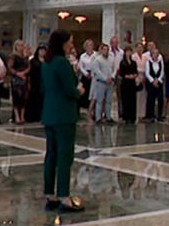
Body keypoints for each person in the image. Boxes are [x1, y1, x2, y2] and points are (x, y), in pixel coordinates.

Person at [41, 29, 85, 213]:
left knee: (51, 154)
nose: (72, 46)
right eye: (70, 42)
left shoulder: (47, 63)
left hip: (50, 113)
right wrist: (79, 91)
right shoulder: (62, 63)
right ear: (63, 43)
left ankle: (50, 194)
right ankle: (64, 196)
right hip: (64, 114)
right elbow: (70, 89)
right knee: (65, 156)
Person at [89, 43, 115, 123]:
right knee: (99, 100)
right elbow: (97, 71)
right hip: (101, 82)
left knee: (109, 101)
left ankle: (108, 117)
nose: (105, 51)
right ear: (101, 50)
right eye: (104, 49)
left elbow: (114, 69)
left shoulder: (111, 59)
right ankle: (98, 118)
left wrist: (112, 77)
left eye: (107, 50)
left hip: (110, 82)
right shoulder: (98, 60)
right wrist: (105, 78)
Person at [8, 41, 31, 125]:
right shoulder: (13, 57)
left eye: (22, 45)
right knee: (16, 97)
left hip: (24, 78)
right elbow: (10, 68)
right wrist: (18, 74)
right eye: (19, 45)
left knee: (23, 98)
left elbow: (28, 66)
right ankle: (17, 116)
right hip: (16, 79)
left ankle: (22, 116)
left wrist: (24, 73)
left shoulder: (25, 57)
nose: (21, 47)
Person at [117, 46, 140, 123]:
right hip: (125, 83)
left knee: (132, 100)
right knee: (125, 100)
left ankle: (132, 117)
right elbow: (121, 73)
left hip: (132, 83)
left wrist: (134, 75)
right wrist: (127, 76)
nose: (128, 53)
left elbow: (136, 71)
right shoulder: (122, 62)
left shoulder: (133, 62)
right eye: (127, 52)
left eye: (130, 52)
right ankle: (126, 116)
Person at [144, 47, 166, 122]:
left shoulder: (160, 62)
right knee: (151, 99)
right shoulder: (148, 62)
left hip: (159, 82)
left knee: (160, 99)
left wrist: (158, 80)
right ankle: (151, 115)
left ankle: (159, 115)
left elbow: (162, 72)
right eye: (154, 53)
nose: (155, 55)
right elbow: (147, 73)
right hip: (151, 83)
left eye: (157, 53)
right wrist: (153, 81)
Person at [27, 45, 47, 125]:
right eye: (41, 50)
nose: (42, 52)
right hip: (35, 82)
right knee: (35, 99)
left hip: (44, 82)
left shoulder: (47, 60)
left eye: (44, 51)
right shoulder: (33, 61)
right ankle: (34, 116)